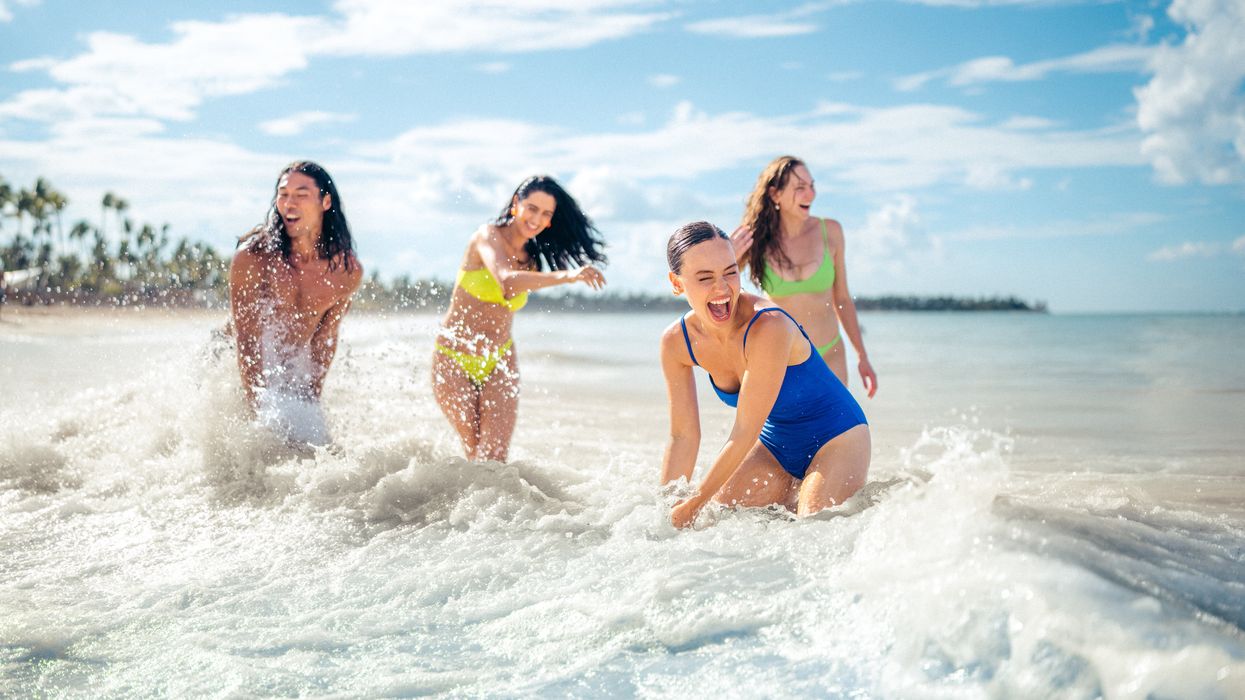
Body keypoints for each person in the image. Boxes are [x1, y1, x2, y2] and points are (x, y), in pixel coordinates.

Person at [660, 222, 870, 529]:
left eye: (730, 272)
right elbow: (682, 436)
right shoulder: (676, 342)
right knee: (719, 521)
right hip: (775, 446)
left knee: (814, 528)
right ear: (677, 283)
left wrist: (695, 502)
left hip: (838, 437)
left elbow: (745, 430)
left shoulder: (769, 325)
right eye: (705, 278)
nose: (722, 289)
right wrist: (666, 507)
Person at [434, 175, 606, 462]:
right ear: (516, 204)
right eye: (532, 208)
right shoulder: (487, 236)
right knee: (474, 450)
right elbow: (507, 282)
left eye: (546, 214)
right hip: (454, 358)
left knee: (495, 457)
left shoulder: (532, 258)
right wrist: (569, 276)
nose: (536, 219)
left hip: (500, 358)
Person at [228, 161, 362, 446]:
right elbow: (247, 341)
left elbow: (324, 340)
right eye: (283, 194)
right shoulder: (254, 258)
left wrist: (311, 403)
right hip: (230, 362)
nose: (289, 203)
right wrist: (260, 415)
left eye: (301, 195)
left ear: (325, 202)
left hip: (284, 368)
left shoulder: (345, 272)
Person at [733, 155, 877, 397]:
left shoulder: (830, 231)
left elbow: (842, 299)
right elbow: (720, 287)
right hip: (780, 360)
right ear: (775, 194)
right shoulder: (756, 240)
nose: (810, 194)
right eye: (800, 188)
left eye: (811, 185)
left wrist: (862, 356)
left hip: (830, 356)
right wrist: (729, 257)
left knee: (837, 422)